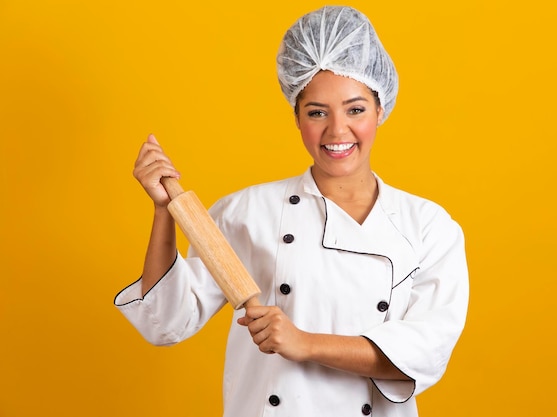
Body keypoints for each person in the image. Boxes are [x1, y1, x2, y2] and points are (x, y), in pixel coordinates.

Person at [114, 5, 469, 417]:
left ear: (381, 109)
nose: (337, 131)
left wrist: (304, 342)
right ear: (296, 117)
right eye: (317, 112)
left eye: (355, 109)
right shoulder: (246, 213)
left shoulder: (427, 226)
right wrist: (164, 212)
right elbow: (166, 320)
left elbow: (425, 352)